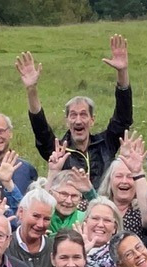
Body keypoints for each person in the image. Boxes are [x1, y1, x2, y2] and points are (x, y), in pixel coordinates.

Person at [20, 35, 133, 183]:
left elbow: (123, 119)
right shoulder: (58, 150)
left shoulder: (105, 144)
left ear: (92, 120)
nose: (78, 120)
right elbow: (40, 130)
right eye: (73, 115)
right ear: (67, 121)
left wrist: (122, 72)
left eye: (83, 114)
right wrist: (31, 89)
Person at [9, 188, 59, 267]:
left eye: (47, 219)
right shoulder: (5, 246)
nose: (40, 224)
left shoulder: (55, 249)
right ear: (21, 212)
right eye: (36, 216)